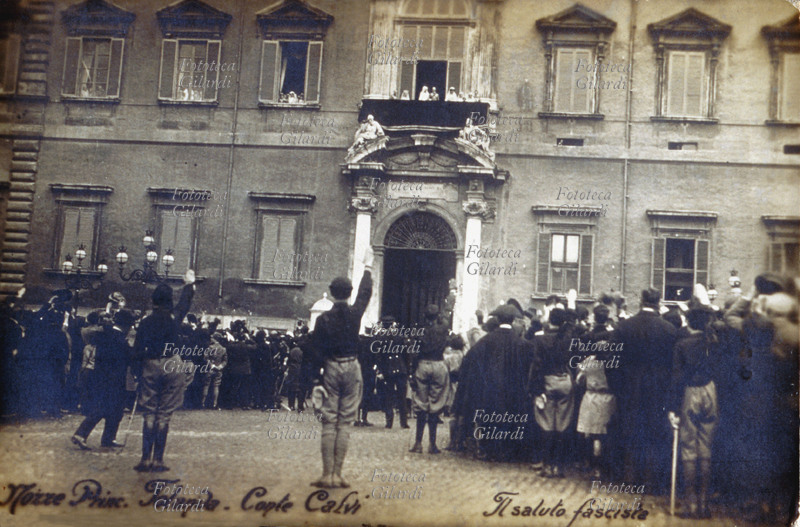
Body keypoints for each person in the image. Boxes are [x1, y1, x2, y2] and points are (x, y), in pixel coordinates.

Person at [309, 246, 373, 488]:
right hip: (352, 366)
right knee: (345, 422)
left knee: (329, 422)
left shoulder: (323, 319)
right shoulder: (355, 313)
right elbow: (366, 293)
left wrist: (316, 380)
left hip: (331, 368)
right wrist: (367, 267)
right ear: (349, 293)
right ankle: (339, 474)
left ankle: (327, 475)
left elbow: (315, 352)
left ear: (331, 293)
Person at [608, 288, 677, 492]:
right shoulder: (669, 329)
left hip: (630, 387)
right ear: (659, 302)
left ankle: (630, 478)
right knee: (654, 431)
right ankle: (650, 479)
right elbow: (674, 364)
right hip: (659, 389)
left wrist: (617, 387)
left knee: (630, 429)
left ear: (641, 301)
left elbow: (611, 362)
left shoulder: (624, 327)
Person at [131, 270, 196, 472]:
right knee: (165, 415)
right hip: (173, 363)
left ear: (153, 301)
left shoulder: (145, 322)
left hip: (151, 363)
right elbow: (185, 303)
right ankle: (158, 460)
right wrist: (188, 284)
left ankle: (145, 459)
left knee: (149, 413)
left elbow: (137, 350)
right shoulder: (174, 317)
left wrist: (136, 373)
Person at [459, 304, 535, 462]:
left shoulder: (487, 340)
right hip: (513, 388)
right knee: (510, 417)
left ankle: (489, 450)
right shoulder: (520, 342)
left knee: (490, 418)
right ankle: (507, 451)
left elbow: (469, 359)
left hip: (491, 387)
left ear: (498, 319)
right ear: (513, 320)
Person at [669, 304, 720, 519]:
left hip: (690, 393)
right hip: (711, 391)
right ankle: (704, 504)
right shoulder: (714, 343)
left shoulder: (682, 345)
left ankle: (691, 506)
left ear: (688, 322)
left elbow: (677, 378)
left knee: (689, 447)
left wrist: (673, 408)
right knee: (706, 448)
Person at [71, 309, 135, 449]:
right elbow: (129, 358)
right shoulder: (119, 339)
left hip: (100, 376)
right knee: (105, 408)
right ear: (126, 325)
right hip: (114, 380)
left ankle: (108, 438)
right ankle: (82, 434)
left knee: (114, 410)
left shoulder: (106, 334)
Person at [530, 307, 577, 477]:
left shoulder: (540, 339)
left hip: (547, 382)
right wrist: (570, 305)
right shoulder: (567, 338)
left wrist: (536, 390)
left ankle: (547, 464)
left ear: (549, 320)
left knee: (546, 425)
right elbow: (571, 324)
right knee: (563, 425)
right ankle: (558, 466)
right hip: (564, 380)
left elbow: (536, 366)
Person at [409, 305, 450, 454]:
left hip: (423, 363)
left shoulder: (420, 330)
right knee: (435, 405)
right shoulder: (443, 328)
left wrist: (412, 372)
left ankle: (418, 443)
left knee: (421, 404)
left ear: (425, 317)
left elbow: (414, 353)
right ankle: (432, 444)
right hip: (439, 364)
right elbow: (446, 319)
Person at [376, 316, 410, 429]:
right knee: (402, 396)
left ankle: (389, 422)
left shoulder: (381, 338)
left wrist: (380, 370)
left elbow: (379, 357)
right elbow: (406, 354)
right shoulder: (400, 337)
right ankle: (403, 422)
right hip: (400, 368)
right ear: (393, 325)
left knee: (389, 396)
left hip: (388, 369)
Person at [200, 331, 227, 409]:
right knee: (216, 386)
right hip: (219, 369)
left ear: (214, 339)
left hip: (210, 369)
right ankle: (214, 404)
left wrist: (211, 365)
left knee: (206, 385)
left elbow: (205, 358)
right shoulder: (223, 349)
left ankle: (203, 402)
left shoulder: (210, 348)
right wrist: (220, 366)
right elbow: (225, 360)